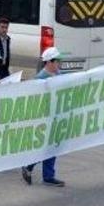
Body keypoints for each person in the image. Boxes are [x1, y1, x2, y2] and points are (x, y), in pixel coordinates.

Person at [22, 47, 65, 186]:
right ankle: (37, 170)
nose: (60, 64)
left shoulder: (58, 74)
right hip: (46, 118)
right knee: (48, 147)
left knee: (52, 147)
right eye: (58, 61)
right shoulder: (40, 78)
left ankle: (43, 173)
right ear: (50, 62)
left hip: (56, 115)